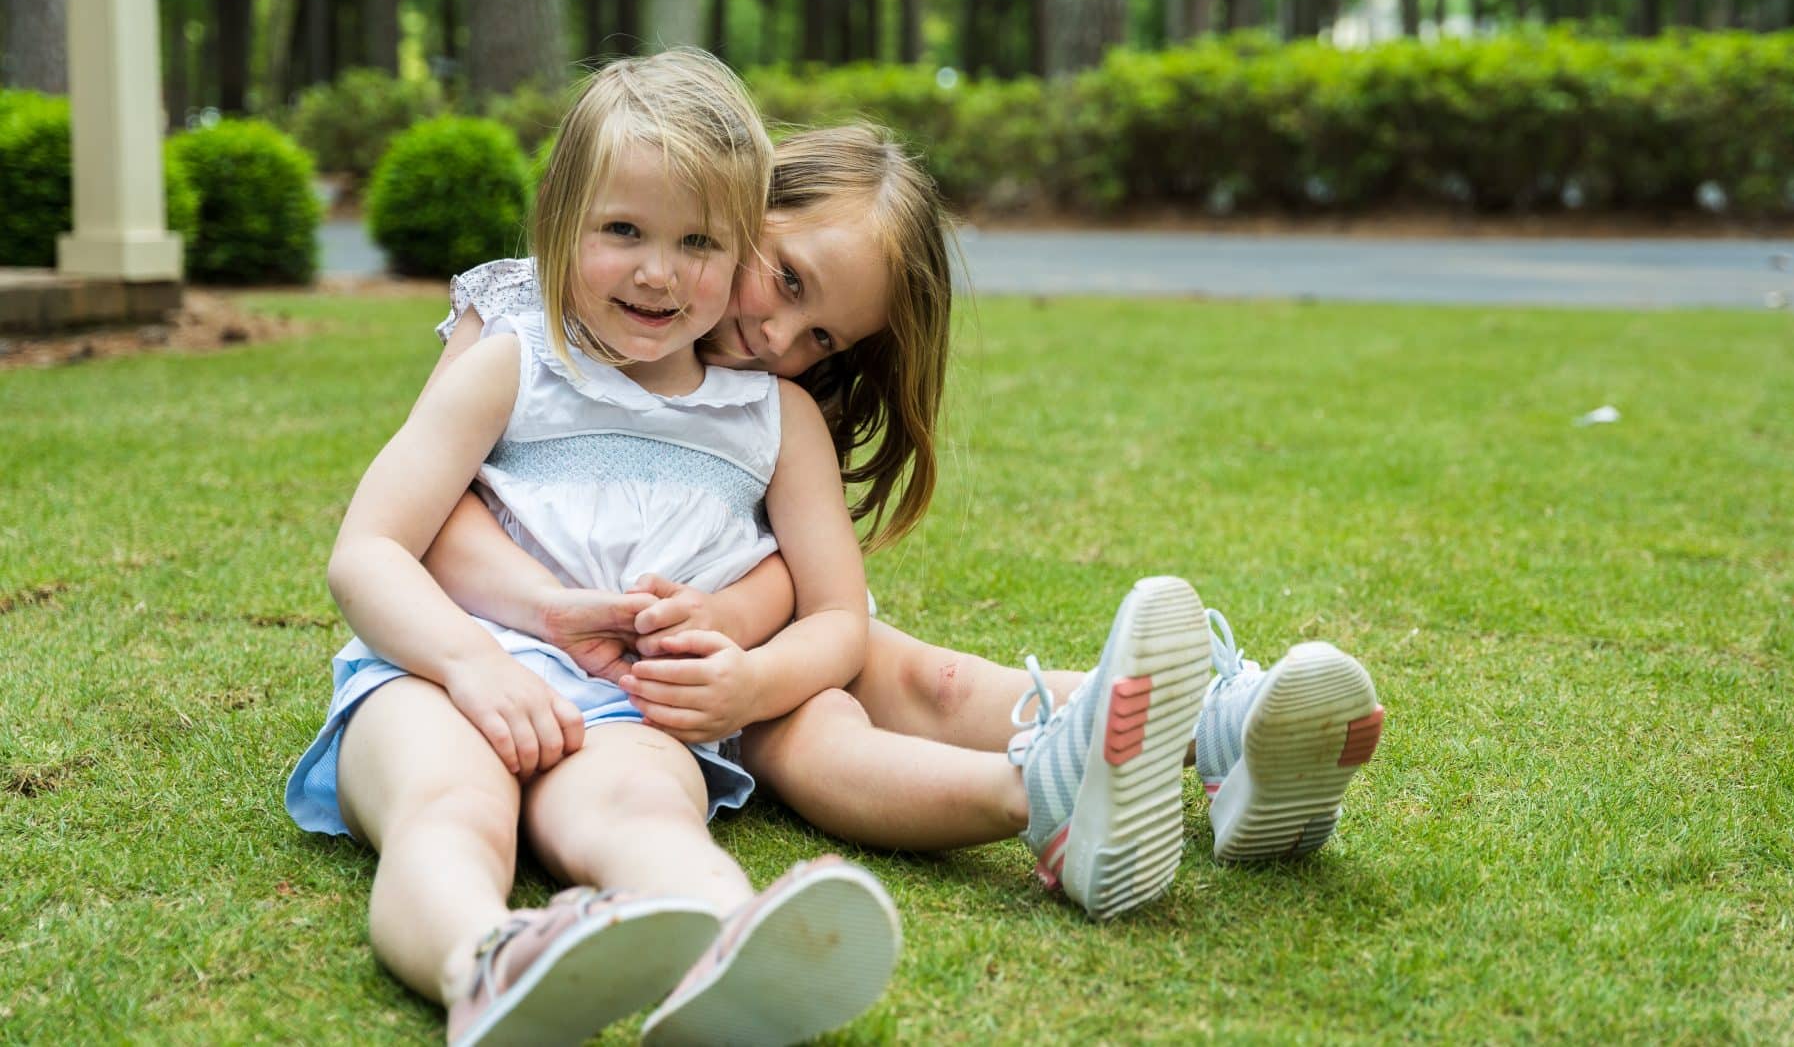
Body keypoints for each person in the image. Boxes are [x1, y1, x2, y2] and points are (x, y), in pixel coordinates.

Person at [423, 120, 1388, 917]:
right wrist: (570, 607)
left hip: (733, 645)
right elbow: (437, 508)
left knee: (923, 678)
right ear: (745, 195)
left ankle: (1211, 727)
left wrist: (741, 644)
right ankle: (1046, 790)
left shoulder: (768, 403)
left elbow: (808, 577)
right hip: (582, 640)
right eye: (787, 281)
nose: (776, 338)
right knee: (822, 741)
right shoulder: (525, 305)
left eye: (821, 337)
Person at [284, 51, 899, 1047]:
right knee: (450, 807)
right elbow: (367, 552)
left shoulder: (761, 412)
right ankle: (485, 962)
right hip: (439, 679)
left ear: (743, 248)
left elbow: (836, 610)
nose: (659, 272)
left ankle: (728, 948)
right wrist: (471, 665)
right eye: (623, 231)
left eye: (699, 241)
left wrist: (742, 674)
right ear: (556, 228)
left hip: (625, 702)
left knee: (646, 809)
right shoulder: (507, 368)